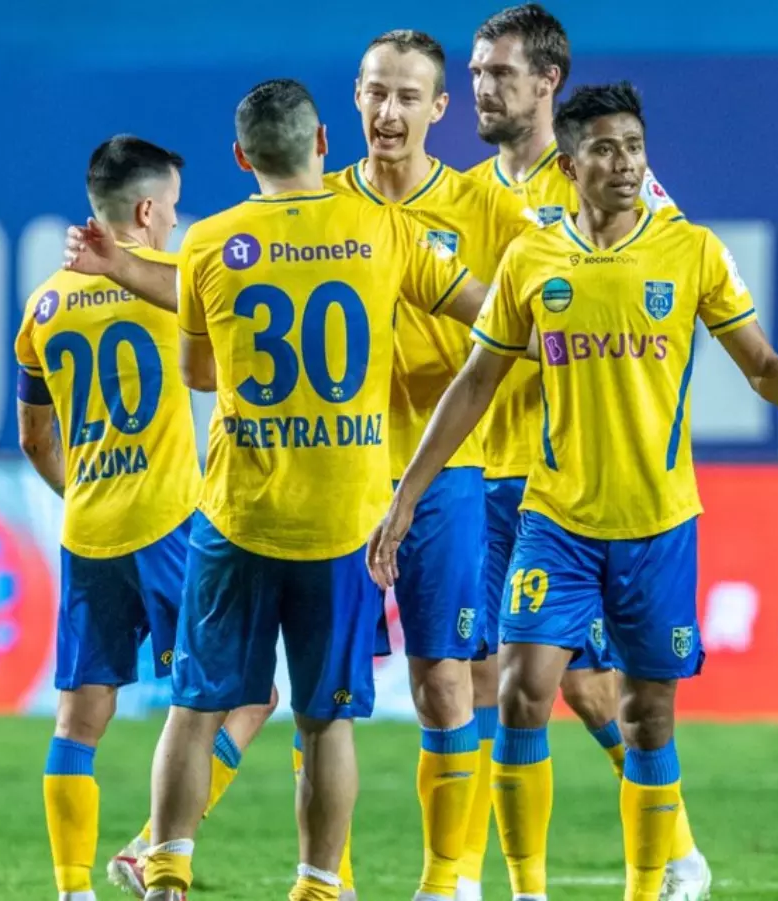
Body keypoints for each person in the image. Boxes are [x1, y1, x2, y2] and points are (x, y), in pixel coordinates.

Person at [368, 81, 778, 901]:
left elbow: (761, 362)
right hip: (555, 519)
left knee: (646, 716)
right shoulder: (533, 259)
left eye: (634, 146)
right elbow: (476, 382)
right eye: (603, 148)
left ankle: (647, 886)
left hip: (658, 524)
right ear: (570, 163)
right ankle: (527, 891)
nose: (625, 163)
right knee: (521, 692)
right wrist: (409, 491)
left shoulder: (691, 251)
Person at [85, 78, 488, 901]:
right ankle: (318, 884)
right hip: (344, 518)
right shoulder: (384, 227)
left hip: (239, 512)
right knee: (324, 716)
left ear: (241, 157)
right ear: (323, 143)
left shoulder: (210, 241)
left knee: (196, 705)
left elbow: (200, 373)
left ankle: (166, 870)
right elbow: (489, 313)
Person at [462, 7, 709, 899]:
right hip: (488, 467)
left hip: (575, 480)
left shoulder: (613, 185)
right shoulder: (466, 192)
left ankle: (673, 847)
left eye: (500, 73)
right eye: (476, 72)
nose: (483, 87)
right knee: (497, 677)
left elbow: (659, 287)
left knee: (587, 685)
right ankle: (467, 876)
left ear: (547, 83)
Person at [20, 135, 278, 901]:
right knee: (249, 694)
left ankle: (72, 890)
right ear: (143, 210)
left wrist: (86, 489)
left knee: (78, 719)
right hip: (170, 524)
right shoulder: (175, 289)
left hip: (87, 530)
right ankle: (151, 846)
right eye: (169, 209)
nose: (173, 222)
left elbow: (34, 438)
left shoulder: (44, 306)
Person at [325, 29, 540, 901]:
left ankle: (446, 882)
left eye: (408, 97)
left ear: (440, 109)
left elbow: (541, 316)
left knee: (445, 679)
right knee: (326, 689)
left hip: (450, 474)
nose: (389, 111)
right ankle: (325, 878)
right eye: (377, 92)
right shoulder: (320, 207)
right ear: (355, 96)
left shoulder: (484, 208)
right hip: (337, 473)